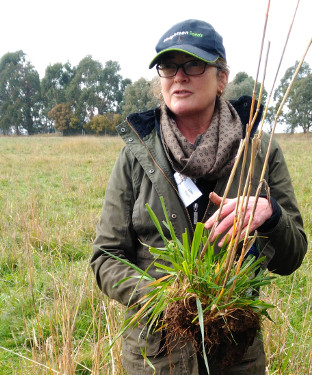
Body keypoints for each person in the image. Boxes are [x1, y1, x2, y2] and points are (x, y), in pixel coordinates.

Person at [91, 19, 307, 375]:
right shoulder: (136, 155)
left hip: (236, 358)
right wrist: (164, 297)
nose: (179, 76)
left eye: (193, 64)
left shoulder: (260, 151)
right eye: (169, 66)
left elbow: (293, 254)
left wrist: (271, 217)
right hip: (157, 359)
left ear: (221, 78)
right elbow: (105, 257)